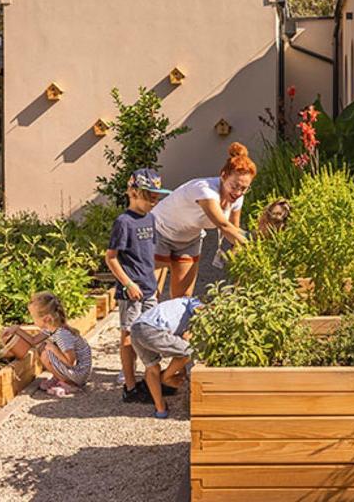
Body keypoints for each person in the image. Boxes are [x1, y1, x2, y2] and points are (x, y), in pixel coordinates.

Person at [151, 142, 256, 298]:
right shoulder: (205, 190)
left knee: (183, 298)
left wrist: (242, 252)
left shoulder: (237, 198)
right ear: (223, 176)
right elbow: (223, 225)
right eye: (234, 186)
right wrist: (254, 247)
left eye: (244, 188)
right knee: (151, 294)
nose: (238, 192)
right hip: (160, 230)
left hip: (189, 238)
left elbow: (234, 229)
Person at [105, 168, 171, 403]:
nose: (155, 199)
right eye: (149, 194)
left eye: (157, 195)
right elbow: (111, 257)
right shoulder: (123, 222)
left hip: (149, 288)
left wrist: (156, 284)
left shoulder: (151, 219)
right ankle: (130, 386)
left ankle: (150, 380)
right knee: (129, 337)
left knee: (149, 335)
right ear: (133, 192)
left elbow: (151, 256)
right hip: (130, 292)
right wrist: (128, 283)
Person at [130, 296, 203, 419]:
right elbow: (200, 310)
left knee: (152, 368)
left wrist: (182, 373)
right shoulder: (193, 302)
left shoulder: (177, 309)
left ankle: (160, 409)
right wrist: (168, 377)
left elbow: (179, 347)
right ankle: (164, 378)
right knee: (191, 351)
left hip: (136, 329)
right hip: (153, 329)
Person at [28, 291, 92, 397]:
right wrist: (16, 330)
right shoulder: (51, 328)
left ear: (46, 319)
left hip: (79, 373)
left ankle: (69, 384)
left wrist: (54, 349)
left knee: (45, 353)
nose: (32, 320)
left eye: (33, 317)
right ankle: (60, 378)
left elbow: (71, 361)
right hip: (76, 371)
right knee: (43, 348)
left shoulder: (62, 334)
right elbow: (33, 341)